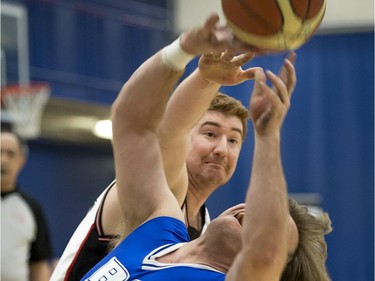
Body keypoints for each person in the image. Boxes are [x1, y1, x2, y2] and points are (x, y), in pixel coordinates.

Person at [81, 14, 332, 281]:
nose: (253, 218)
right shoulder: (158, 228)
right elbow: (132, 125)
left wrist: (268, 135)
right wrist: (181, 50)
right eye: (211, 133)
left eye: (273, 227)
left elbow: (264, 253)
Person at [50, 14, 260, 281]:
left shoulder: (210, 230)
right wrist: (205, 79)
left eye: (233, 140)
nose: (221, 149)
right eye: (210, 133)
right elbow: (170, 132)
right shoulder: (163, 191)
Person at [1, 129, 54, 281]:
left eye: (10, 154)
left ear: (21, 161)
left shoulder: (32, 208)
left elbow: (39, 264)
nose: (3, 160)